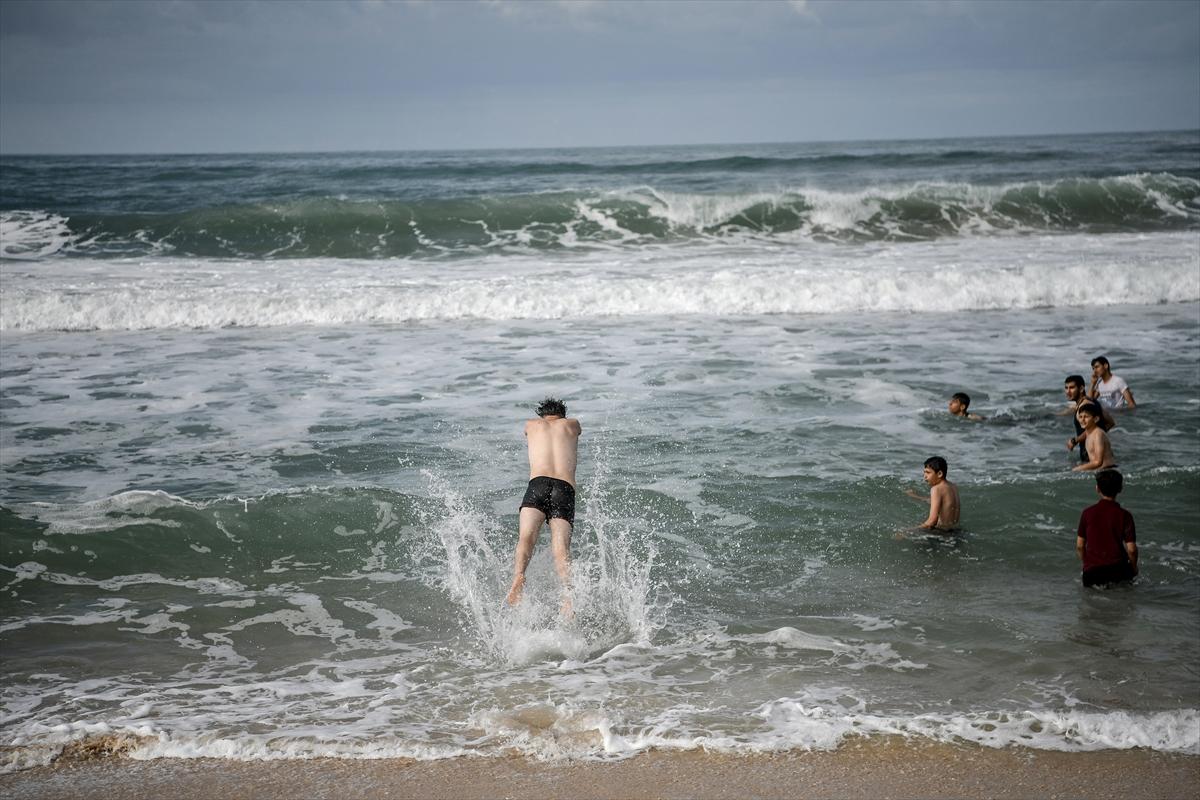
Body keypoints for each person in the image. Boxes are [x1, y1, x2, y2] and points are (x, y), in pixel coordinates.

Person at [506, 398, 582, 615]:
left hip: (536, 484)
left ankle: (519, 575)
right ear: (563, 414)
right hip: (564, 488)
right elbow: (576, 432)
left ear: (542, 415)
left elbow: (529, 433)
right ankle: (568, 596)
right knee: (560, 547)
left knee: (526, 537)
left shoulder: (531, 425)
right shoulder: (572, 424)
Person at [1076, 469, 1137, 587]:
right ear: (1120, 489)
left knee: (1091, 604)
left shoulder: (1087, 513)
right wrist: (1134, 568)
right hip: (1118, 571)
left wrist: (1087, 564)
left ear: (1097, 488)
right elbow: (1132, 550)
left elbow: (1079, 546)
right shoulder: (1125, 515)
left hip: (1092, 574)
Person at [1060, 375, 1115, 463]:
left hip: (1090, 455)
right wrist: (1099, 437)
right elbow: (1110, 422)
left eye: (1072, 388)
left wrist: (1075, 440)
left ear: (1081, 388)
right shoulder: (1093, 402)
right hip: (1101, 454)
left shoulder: (1083, 407)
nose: (1068, 391)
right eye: (1066, 388)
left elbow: (1093, 429)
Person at [904, 456, 961, 532]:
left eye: (928, 472)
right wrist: (914, 496)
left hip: (941, 534)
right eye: (924, 473)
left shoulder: (936, 489)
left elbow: (932, 521)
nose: (925, 476)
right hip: (955, 532)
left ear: (939, 474)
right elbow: (940, 503)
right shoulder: (953, 487)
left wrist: (908, 531)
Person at [1072, 401, 1117, 472]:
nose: (1082, 420)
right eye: (1080, 417)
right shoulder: (1089, 433)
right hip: (1101, 471)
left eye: (1086, 417)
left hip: (1108, 472)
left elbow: (1098, 462)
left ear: (1096, 419)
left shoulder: (1098, 434)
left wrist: (1078, 469)